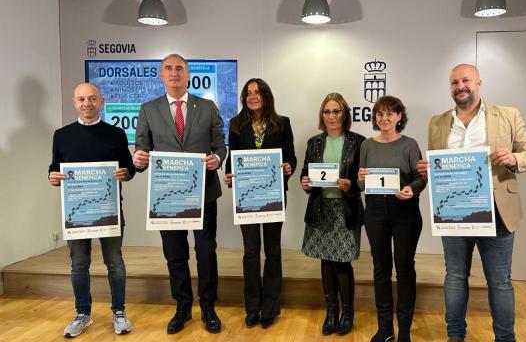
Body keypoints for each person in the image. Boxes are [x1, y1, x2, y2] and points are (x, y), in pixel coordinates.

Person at [417, 64, 526, 342]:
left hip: (496, 212)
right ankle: (455, 336)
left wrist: (513, 159)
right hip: (452, 212)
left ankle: (505, 339)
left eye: (465, 80)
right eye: (454, 82)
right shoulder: (437, 122)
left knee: (499, 282)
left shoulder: (507, 114)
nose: (460, 86)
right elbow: (438, 165)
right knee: (455, 277)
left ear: (479, 82)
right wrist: (429, 169)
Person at [133, 54, 227, 334]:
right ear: (161, 75)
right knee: (174, 254)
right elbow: (142, 149)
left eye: (179, 68)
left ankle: (208, 307)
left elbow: (220, 146)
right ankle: (183, 307)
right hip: (167, 197)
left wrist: (218, 160)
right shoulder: (148, 109)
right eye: (169, 69)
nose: (174, 73)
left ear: (188, 75)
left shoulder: (208, 107)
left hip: (204, 194)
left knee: (206, 251)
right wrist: (138, 160)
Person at [48, 82, 135, 338]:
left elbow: (128, 168)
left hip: (109, 211)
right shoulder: (61, 135)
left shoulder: (116, 133)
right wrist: (52, 176)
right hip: (76, 214)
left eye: (92, 98)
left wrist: (126, 173)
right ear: (74, 103)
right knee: (78, 264)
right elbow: (54, 166)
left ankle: (119, 312)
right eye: (81, 99)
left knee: (115, 263)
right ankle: (82, 314)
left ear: (101, 101)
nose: (87, 103)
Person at [223, 78, 296, 329]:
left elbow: (291, 158)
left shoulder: (282, 123)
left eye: (258, 92)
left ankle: (271, 307)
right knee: (251, 252)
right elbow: (231, 159)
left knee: (272, 252)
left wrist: (289, 167)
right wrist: (229, 175)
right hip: (246, 198)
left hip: (273, 196)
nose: (253, 96)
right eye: (248, 93)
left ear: (266, 95)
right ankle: (252, 307)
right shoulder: (235, 125)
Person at [358, 96, 426, 342]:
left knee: (405, 268)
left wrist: (412, 189)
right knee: (381, 270)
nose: (384, 118)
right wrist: (361, 179)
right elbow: (360, 182)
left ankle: (405, 329)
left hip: (404, 211)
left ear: (399, 117)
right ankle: (385, 328)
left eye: (390, 114)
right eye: (380, 114)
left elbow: (421, 178)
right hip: (375, 212)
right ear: (375, 117)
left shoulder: (410, 144)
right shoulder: (366, 145)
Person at [300, 93, 365, 336]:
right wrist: (304, 182)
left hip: (345, 209)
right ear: (322, 115)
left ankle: (347, 314)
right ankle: (330, 312)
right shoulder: (314, 143)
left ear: (345, 114)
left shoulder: (359, 141)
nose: (332, 116)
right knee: (325, 261)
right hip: (321, 208)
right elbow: (306, 173)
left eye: (336, 111)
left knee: (343, 262)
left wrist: (353, 186)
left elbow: (363, 179)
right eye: (327, 111)